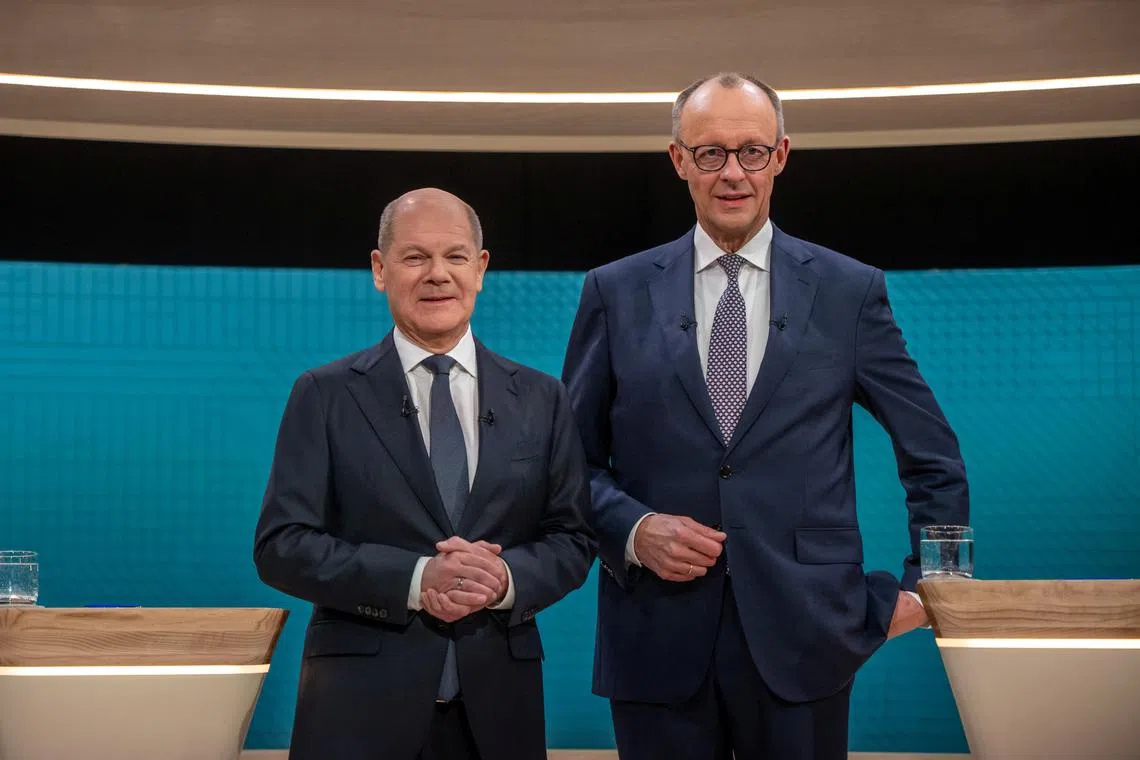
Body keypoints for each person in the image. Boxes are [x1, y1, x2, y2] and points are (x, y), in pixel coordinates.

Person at [561, 72, 969, 759]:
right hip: (656, 639)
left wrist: (939, 586)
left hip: (807, 637)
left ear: (781, 156)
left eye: (751, 151)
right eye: (710, 152)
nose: (732, 173)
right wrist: (633, 529)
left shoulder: (849, 292)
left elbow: (933, 454)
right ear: (678, 161)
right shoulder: (615, 291)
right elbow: (566, 460)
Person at [254, 188, 595, 760]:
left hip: (497, 710)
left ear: (481, 269)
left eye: (455, 256)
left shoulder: (542, 398)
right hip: (357, 709)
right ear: (380, 270)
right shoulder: (325, 395)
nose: (437, 274)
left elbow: (574, 538)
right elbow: (281, 546)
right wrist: (416, 579)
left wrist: (505, 579)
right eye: (415, 258)